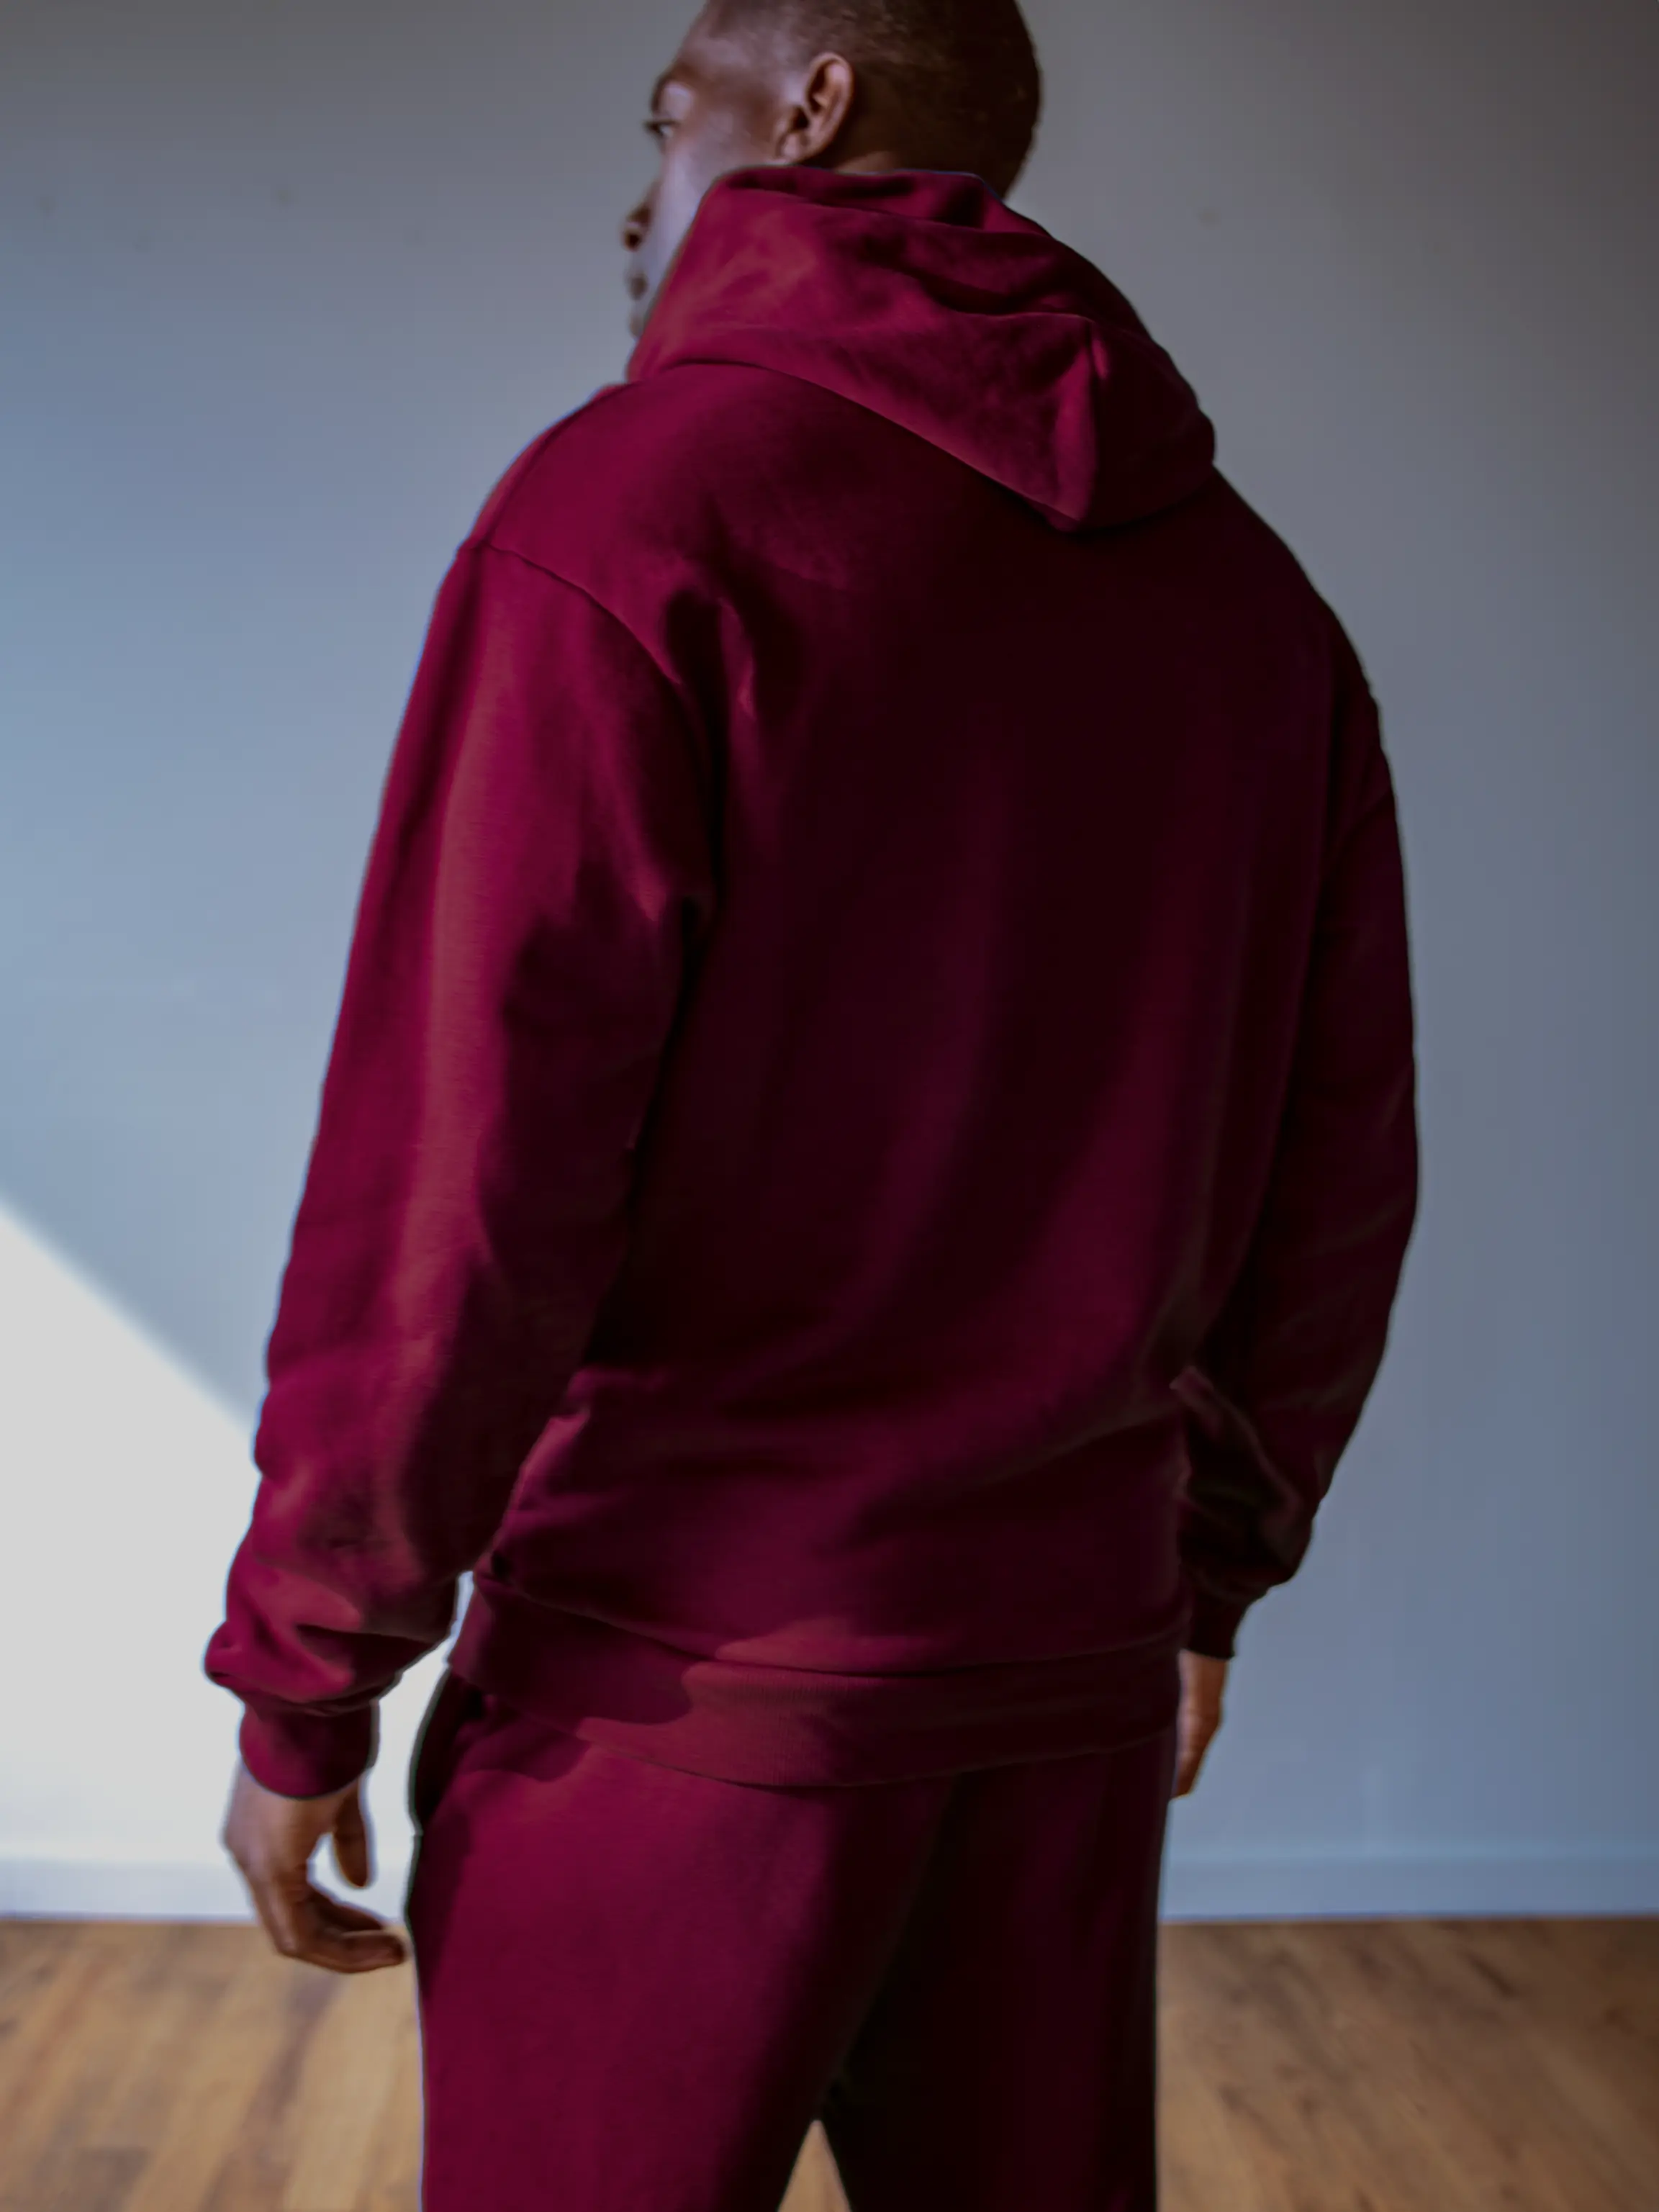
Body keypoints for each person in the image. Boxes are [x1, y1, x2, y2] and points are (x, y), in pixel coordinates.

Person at [207, 0, 1418, 2203]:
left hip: (681, 1696)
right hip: (1057, 1672)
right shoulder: (1254, 607)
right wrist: (1202, 1574)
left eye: (670, 126)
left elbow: (464, 1172)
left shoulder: (629, 519)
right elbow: (1338, 1169)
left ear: (811, 109)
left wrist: (309, 1678)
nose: (639, 193)